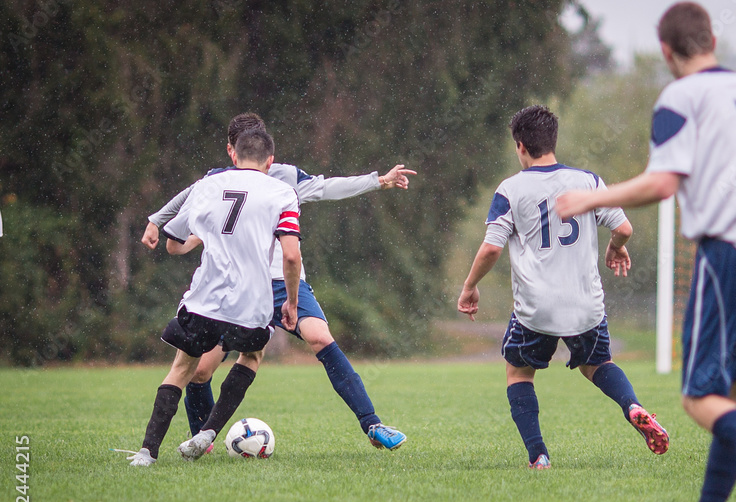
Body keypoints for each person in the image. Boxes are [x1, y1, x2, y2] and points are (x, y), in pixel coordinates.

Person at [556, 2, 736, 502]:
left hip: (732, 256)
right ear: (711, 39)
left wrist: (589, 199)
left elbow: (663, 183)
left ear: (667, 52)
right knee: (731, 394)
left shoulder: (682, 96)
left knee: (699, 396)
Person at [143, 113, 413, 451]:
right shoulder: (218, 180)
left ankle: (372, 424)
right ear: (232, 150)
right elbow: (187, 197)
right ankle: (204, 437)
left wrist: (379, 181)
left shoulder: (284, 176)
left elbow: (327, 187)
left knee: (319, 337)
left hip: (284, 283)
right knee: (200, 371)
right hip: (236, 287)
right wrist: (157, 221)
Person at [457, 105, 670, 469]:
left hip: (536, 309)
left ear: (521, 146)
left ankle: (538, 455)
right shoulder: (587, 181)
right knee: (598, 363)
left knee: (519, 373)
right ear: (552, 141)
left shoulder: (511, 188)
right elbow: (624, 227)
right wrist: (616, 247)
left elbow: (492, 246)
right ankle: (632, 406)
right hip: (586, 305)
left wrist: (469, 287)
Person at [124, 129, 301, 466]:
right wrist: (291, 302)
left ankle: (147, 452)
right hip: (252, 303)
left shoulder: (208, 185)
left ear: (233, 155)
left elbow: (174, 243)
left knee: (181, 369)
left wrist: (205, 238)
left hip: (205, 298)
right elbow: (291, 256)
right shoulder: (282, 193)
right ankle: (209, 431)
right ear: (270, 161)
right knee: (251, 355)